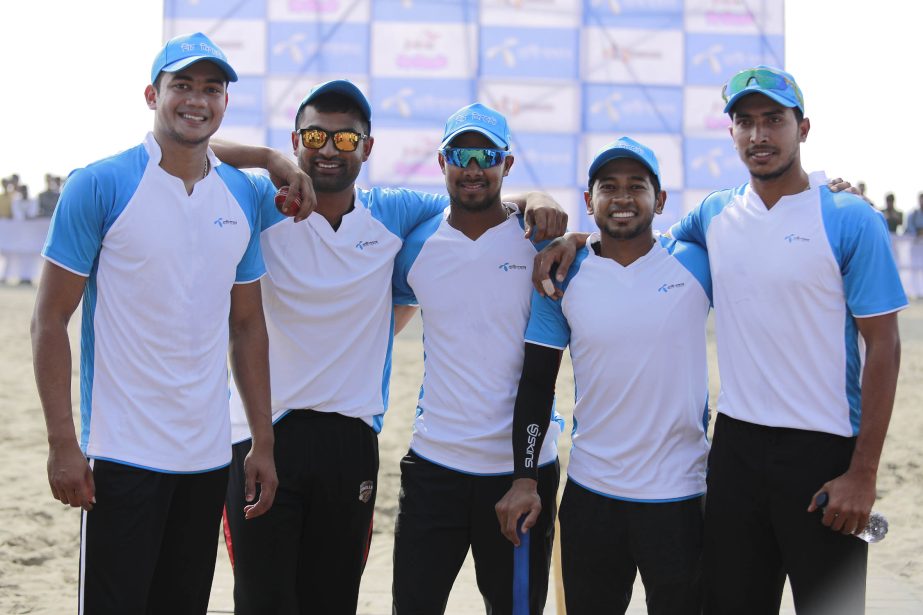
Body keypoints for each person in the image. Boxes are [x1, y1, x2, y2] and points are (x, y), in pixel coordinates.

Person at [211, 86, 566, 614]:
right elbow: (190, 147)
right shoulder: (263, 199)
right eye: (314, 136)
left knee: (333, 600)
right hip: (263, 434)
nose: (329, 149)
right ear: (296, 140)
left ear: (367, 148)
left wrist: (540, 201)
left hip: (351, 437)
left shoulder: (395, 213)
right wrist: (269, 160)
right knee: (262, 601)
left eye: (346, 138)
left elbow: (477, 205)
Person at [30, 32, 284, 615]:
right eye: (182, 86)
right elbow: (50, 321)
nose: (196, 100)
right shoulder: (99, 184)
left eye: (211, 89)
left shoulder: (241, 196)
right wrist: (63, 443)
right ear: (153, 94)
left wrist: (263, 443)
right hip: (120, 452)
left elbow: (247, 328)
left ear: (225, 104)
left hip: (206, 455)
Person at [667, 66, 906, 614]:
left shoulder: (850, 219)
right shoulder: (714, 213)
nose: (759, 135)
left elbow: (885, 347)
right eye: (745, 122)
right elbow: (639, 242)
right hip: (736, 449)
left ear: (803, 127)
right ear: (731, 134)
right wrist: (575, 237)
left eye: (774, 119)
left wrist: (863, 474)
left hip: (823, 451)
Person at [495, 137, 711, 615]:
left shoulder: (698, 262)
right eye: (608, 187)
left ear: (661, 200)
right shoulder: (563, 274)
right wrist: (525, 479)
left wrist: (835, 192)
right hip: (593, 497)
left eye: (637, 186)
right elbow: (536, 383)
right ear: (589, 202)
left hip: (679, 497)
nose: (623, 197)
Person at [390, 103, 564, 615]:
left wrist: (541, 203)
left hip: (522, 471)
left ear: (506, 165)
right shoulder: (416, 244)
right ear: (441, 161)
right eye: (460, 154)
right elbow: (377, 316)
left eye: (486, 154)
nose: (472, 167)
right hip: (434, 467)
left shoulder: (541, 243)